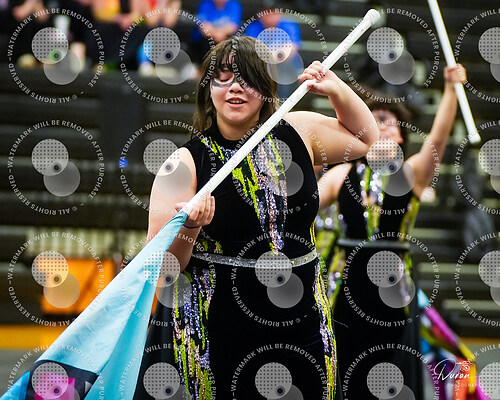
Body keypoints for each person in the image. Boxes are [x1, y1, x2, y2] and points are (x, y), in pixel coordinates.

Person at [133, 35, 378, 399]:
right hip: (219, 326)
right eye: (224, 77)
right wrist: (190, 228)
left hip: (303, 318)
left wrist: (336, 89)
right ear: (208, 88)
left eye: (247, 78)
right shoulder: (184, 164)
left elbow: (367, 140)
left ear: (266, 88)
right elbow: (161, 270)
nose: (235, 87)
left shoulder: (300, 131)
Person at [317, 64, 467, 399]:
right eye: (373, 121)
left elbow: (438, 139)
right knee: (344, 366)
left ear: (400, 137)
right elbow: (303, 205)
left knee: (389, 371)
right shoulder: (341, 174)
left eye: (388, 121)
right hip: (346, 283)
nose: (380, 127)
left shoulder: (411, 174)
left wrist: (451, 89)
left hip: (392, 289)